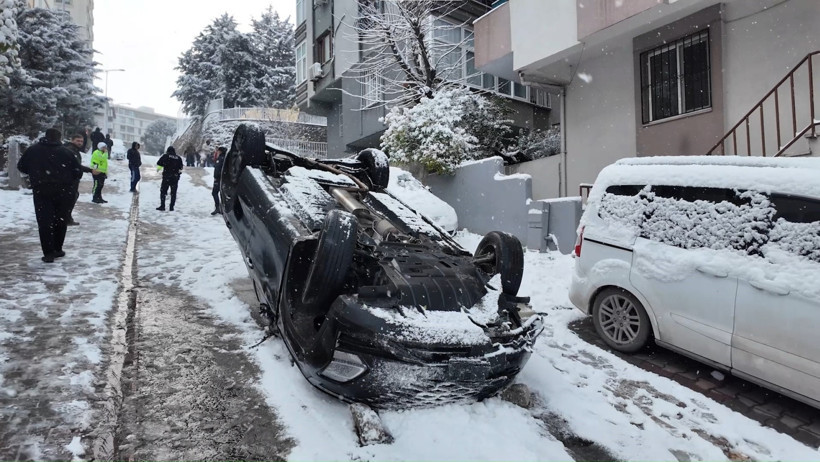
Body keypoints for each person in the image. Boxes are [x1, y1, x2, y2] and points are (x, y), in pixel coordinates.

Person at [16, 128, 83, 262]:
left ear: (45, 136)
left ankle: (48, 253)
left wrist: (36, 173)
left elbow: (21, 166)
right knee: (60, 220)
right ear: (59, 138)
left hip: (41, 190)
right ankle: (58, 249)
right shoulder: (66, 152)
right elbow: (77, 172)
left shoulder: (33, 150)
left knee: (44, 221)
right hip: (64, 191)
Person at [63, 133, 94, 225]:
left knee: (72, 198)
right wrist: (90, 170)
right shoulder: (70, 150)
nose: (80, 143)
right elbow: (75, 165)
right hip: (69, 179)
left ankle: (66, 218)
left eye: (81, 141)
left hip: (72, 178)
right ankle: (65, 219)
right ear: (72, 140)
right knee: (69, 199)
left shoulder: (74, 150)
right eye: (78, 141)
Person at [156, 146, 183, 211]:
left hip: (167, 176)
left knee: (163, 191)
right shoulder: (178, 158)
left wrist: (159, 168)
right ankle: (171, 207)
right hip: (175, 177)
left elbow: (159, 163)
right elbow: (181, 167)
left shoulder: (165, 156)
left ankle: (162, 206)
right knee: (173, 193)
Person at [211, 146, 227, 215]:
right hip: (224, 178)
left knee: (214, 193)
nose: (217, 152)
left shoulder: (220, 159)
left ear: (220, 151)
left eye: (218, 151)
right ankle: (223, 208)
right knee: (222, 193)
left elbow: (217, 169)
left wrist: (216, 177)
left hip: (219, 179)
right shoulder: (226, 158)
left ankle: (218, 208)